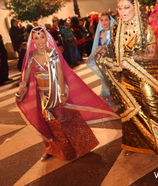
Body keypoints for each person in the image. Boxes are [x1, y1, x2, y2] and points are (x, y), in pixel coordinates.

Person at [95, 0, 158, 161]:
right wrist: (105, 51)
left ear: (135, 8)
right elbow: (115, 48)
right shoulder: (116, 28)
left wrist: (132, 59)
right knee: (130, 111)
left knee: (153, 108)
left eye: (126, 7)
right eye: (119, 8)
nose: (122, 11)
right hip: (126, 75)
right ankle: (137, 144)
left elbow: (152, 55)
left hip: (145, 75)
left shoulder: (145, 29)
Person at [15, 27, 116, 161]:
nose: (40, 40)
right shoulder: (32, 57)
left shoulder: (52, 54)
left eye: (42, 37)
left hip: (57, 93)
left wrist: (62, 93)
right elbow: (25, 77)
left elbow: (60, 73)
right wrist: (21, 90)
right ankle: (53, 149)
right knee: (49, 125)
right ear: (32, 40)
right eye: (36, 38)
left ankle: (81, 146)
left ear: (47, 38)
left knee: (68, 121)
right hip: (43, 98)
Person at [87, 12, 115, 101]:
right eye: (102, 20)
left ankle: (115, 97)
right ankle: (109, 98)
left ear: (110, 20)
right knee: (105, 78)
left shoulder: (113, 32)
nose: (104, 22)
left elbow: (116, 46)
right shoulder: (100, 32)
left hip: (111, 60)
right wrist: (92, 55)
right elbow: (96, 46)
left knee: (112, 79)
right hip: (101, 60)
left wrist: (105, 48)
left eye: (106, 20)